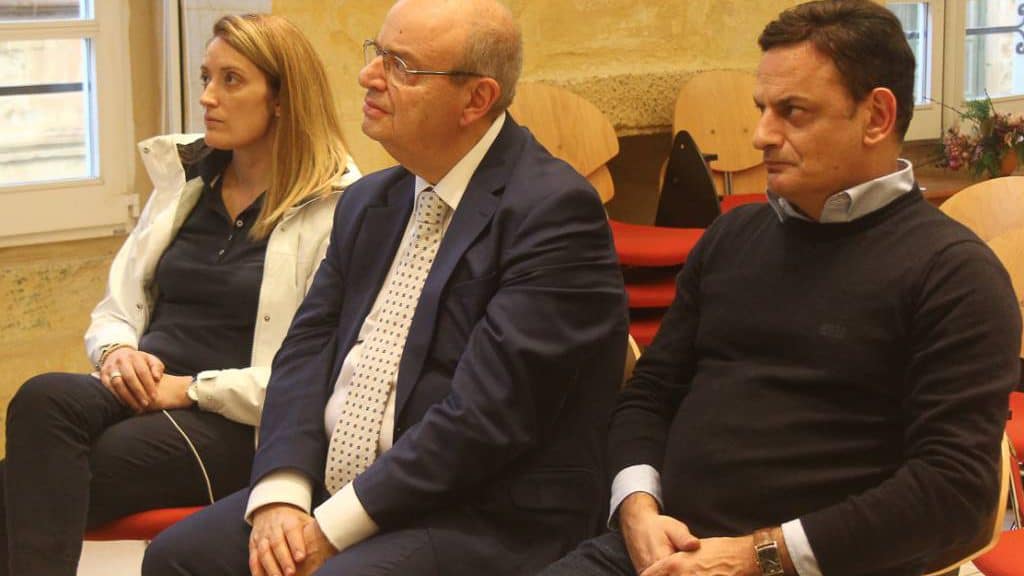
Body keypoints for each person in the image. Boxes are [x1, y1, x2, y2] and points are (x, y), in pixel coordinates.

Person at [141, 1, 627, 575]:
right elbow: (305, 353)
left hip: (481, 509)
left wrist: (331, 527)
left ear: (477, 99)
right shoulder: (371, 200)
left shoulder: (553, 212)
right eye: (377, 53)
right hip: (339, 487)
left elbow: (487, 418)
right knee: (177, 558)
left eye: (401, 66)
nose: (368, 76)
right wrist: (282, 492)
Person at [540, 2, 1022, 576]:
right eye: (762, 109)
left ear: (876, 117)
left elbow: (954, 493)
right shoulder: (732, 237)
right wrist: (637, 509)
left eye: (792, 112)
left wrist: (757, 556)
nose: (760, 135)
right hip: (656, 553)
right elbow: (649, 394)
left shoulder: (954, 275)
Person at [0, 13, 360, 576]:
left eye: (231, 80)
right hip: (142, 388)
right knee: (42, 397)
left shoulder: (340, 208)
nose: (208, 97)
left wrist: (190, 389)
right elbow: (117, 306)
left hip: (240, 422)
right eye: (205, 77)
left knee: (34, 479)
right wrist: (119, 352)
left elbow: (318, 374)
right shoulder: (186, 183)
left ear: (282, 99)